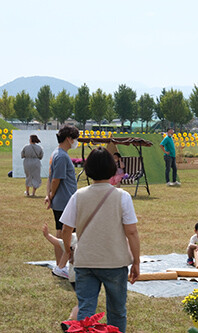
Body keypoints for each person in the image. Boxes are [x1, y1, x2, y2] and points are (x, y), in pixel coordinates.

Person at [61, 147, 140, 333]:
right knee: (117, 310)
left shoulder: (78, 196)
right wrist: (136, 261)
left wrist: (69, 250)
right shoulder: (123, 197)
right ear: (113, 169)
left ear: (88, 169)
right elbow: (132, 232)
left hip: (85, 261)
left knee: (86, 310)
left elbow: (66, 229)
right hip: (115, 261)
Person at [45, 125, 80, 267]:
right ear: (68, 139)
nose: (76, 142)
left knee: (62, 232)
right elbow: (55, 179)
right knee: (65, 234)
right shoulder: (61, 156)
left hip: (63, 200)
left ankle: (61, 265)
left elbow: (50, 178)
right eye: (75, 138)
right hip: (64, 201)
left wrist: (49, 195)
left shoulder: (57, 154)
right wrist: (51, 195)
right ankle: (61, 265)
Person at [42, 223, 79, 323]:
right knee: (85, 302)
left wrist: (48, 235)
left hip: (73, 277)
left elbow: (59, 242)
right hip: (83, 277)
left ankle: (77, 321)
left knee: (83, 301)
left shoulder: (75, 237)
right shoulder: (93, 240)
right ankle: (71, 322)